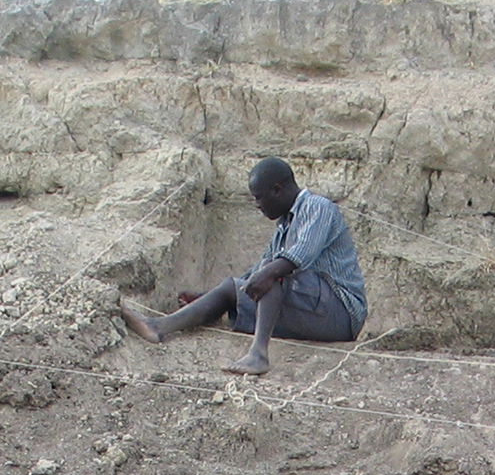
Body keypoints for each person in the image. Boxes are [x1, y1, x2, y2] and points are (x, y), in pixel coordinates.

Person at [118, 157, 367, 376]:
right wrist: (210, 297)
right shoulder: (284, 227)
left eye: (259, 197)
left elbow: (303, 253)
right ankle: (159, 327)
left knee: (272, 273)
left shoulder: (318, 207)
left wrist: (268, 272)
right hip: (313, 307)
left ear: (277, 190)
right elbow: (253, 276)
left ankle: (258, 355)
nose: (257, 205)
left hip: (342, 311)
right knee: (233, 288)